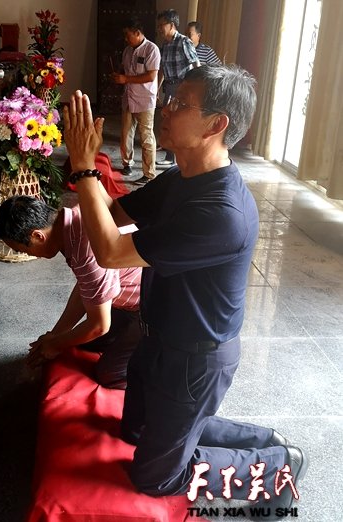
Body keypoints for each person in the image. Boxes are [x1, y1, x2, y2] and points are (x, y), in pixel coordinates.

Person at [62, 64, 308, 521]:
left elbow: (111, 252)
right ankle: (261, 438)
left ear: (216, 125)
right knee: (135, 433)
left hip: (197, 359)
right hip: (156, 339)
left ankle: (278, 464)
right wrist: (88, 170)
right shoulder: (182, 178)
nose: (166, 109)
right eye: (171, 99)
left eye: (180, 104)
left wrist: (84, 168)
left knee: (155, 478)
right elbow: (113, 216)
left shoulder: (222, 212)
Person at [0, 195, 142, 390]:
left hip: (153, 307)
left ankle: (161, 359)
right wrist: (56, 334)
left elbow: (99, 325)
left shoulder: (87, 249)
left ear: (37, 236)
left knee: (109, 374)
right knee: (81, 342)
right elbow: (85, 287)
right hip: (128, 299)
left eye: (23, 250)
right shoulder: (75, 220)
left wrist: (55, 344)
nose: (27, 255)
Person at [112, 18, 160, 185]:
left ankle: (149, 173)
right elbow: (124, 68)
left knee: (146, 137)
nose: (126, 39)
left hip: (145, 100)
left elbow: (151, 76)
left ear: (138, 33)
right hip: (128, 98)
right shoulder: (127, 50)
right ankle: (127, 163)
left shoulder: (151, 49)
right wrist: (119, 75)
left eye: (128, 35)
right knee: (126, 134)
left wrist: (126, 79)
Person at [156, 9, 199, 167]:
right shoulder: (165, 44)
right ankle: (170, 157)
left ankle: (178, 158)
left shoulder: (183, 41)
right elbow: (162, 69)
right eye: (158, 25)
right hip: (169, 87)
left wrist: (194, 89)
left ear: (172, 25)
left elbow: (196, 64)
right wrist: (156, 89)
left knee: (178, 122)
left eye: (162, 25)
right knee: (168, 120)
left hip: (182, 87)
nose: (159, 28)